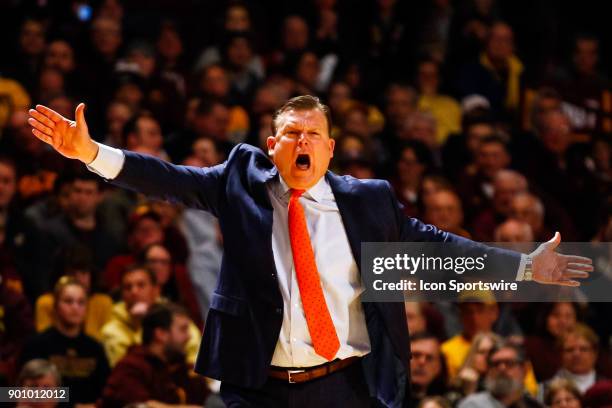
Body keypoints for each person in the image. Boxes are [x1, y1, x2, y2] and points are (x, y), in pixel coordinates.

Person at [28, 96, 592, 407]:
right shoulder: (239, 183)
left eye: (312, 134)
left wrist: (522, 266)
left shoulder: (369, 201)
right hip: (259, 387)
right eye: (290, 134)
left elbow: (437, 247)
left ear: (330, 147)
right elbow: (167, 178)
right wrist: (91, 154)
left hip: (344, 386)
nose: (301, 143)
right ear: (272, 146)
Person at [99, 303, 209, 408]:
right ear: (160, 334)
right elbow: (140, 406)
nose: (189, 336)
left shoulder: (182, 369)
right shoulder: (130, 368)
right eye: (183, 329)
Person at [20, 277, 110, 406]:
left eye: (81, 302)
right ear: (56, 306)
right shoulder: (36, 345)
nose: (75, 307)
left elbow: (106, 391)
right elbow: (11, 393)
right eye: (68, 301)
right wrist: (72, 404)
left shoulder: (95, 348)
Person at [100, 264, 201, 367]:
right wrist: (140, 324)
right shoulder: (111, 331)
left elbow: (197, 358)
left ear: (156, 290)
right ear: (122, 294)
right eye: (128, 287)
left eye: (141, 285)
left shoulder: (175, 318)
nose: (134, 292)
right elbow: (127, 371)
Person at [457, 342, 543, 408]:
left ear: (524, 369)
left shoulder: (533, 405)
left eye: (509, 363)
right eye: (495, 364)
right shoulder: (473, 405)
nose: (502, 368)